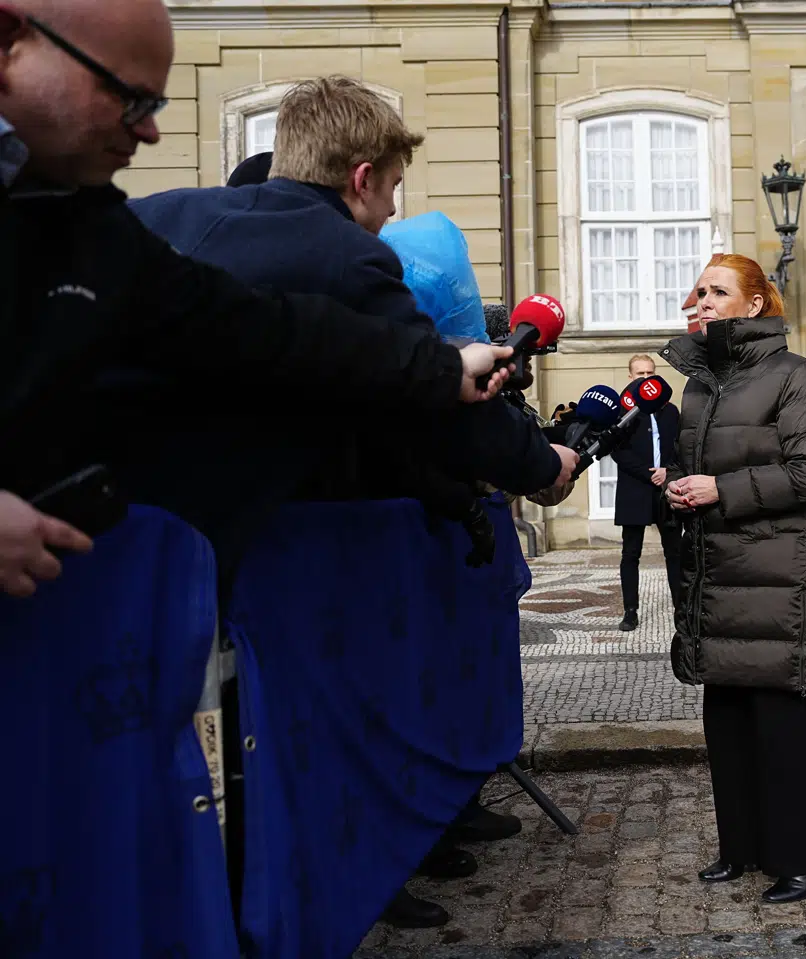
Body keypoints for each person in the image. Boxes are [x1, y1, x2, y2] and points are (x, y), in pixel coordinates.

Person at [127, 76, 568, 929]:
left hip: (134, 545)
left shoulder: (166, 217)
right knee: (284, 746)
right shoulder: (346, 257)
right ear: (363, 177)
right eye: (393, 187)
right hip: (264, 552)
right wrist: (537, 461)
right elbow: (428, 407)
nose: (390, 209)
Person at [0, 0, 513, 597]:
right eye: (127, 95)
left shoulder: (89, 221)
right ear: (11, 41)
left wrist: (444, 365)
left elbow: (261, 329)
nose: (149, 130)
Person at [661, 253, 806, 904]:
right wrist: (674, 489)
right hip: (715, 575)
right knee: (726, 720)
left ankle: (801, 858)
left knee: (780, 723)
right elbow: (695, 470)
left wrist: (719, 488)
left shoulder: (793, 374)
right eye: (698, 290)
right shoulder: (699, 384)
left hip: (773, 578)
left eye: (716, 291)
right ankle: (741, 847)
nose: (700, 300)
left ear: (755, 305)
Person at [611, 353, 683, 631]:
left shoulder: (670, 410)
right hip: (634, 487)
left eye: (650, 373)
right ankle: (630, 611)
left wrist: (667, 470)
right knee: (631, 553)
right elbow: (618, 452)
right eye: (640, 374)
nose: (645, 379)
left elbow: (680, 447)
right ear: (631, 377)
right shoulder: (622, 411)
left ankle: (681, 609)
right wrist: (647, 473)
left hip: (666, 487)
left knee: (674, 552)